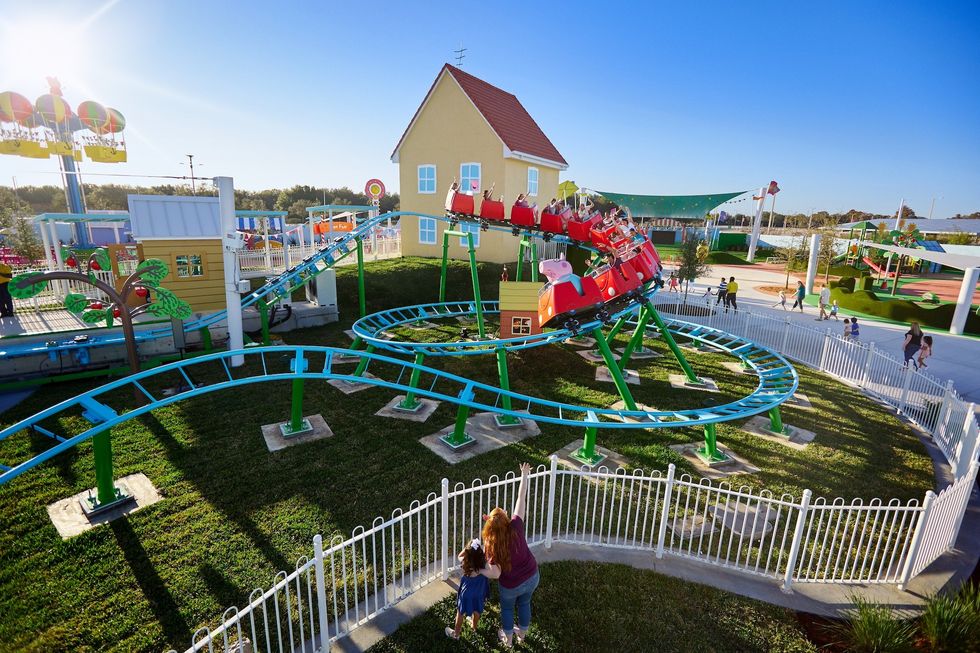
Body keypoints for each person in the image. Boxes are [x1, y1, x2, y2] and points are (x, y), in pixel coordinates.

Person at [482, 463, 539, 648]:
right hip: (532, 576)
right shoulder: (516, 525)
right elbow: (521, 497)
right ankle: (522, 635)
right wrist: (524, 474)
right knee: (525, 603)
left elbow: (495, 574)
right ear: (506, 519)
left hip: (510, 585)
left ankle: (509, 640)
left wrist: (479, 570)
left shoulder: (492, 544)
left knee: (507, 608)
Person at [445, 539, 496, 640]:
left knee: (460, 612)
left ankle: (456, 634)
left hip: (466, 593)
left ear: (467, 554)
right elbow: (492, 569)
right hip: (479, 592)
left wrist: (466, 549)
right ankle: (474, 627)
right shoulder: (484, 564)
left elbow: (459, 555)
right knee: (477, 610)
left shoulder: (465, 562)